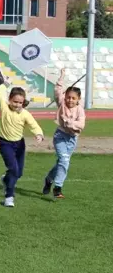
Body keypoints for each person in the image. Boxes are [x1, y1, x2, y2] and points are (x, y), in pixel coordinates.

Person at [0, 83, 43, 208]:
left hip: (20, 145)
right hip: (5, 144)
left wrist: (38, 133)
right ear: (9, 99)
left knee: (19, 173)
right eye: (15, 101)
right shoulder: (4, 108)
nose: (17, 105)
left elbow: (33, 124)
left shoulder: (25, 114)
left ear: (23, 102)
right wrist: (3, 84)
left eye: (20, 102)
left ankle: (6, 180)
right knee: (14, 170)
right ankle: (9, 197)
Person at [43, 68, 86, 199]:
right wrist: (62, 76)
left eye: (73, 98)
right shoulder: (62, 104)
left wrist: (70, 123)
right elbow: (57, 91)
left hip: (72, 139)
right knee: (64, 161)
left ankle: (49, 179)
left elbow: (81, 124)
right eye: (68, 97)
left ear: (78, 99)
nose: (70, 100)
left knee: (61, 162)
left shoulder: (80, 110)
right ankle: (58, 188)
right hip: (60, 136)